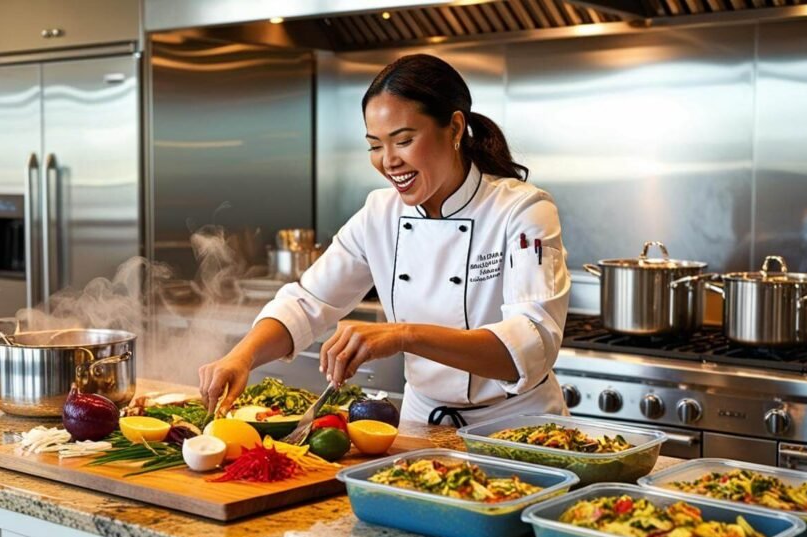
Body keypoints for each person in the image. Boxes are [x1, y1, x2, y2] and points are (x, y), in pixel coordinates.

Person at [199, 54, 571, 427]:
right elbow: (307, 303)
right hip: (421, 426)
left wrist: (403, 335)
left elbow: (531, 344)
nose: (388, 161)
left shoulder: (522, 209)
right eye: (375, 146)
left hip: (519, 430)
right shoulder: (380, 214)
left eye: (404, 140)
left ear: (455, 129)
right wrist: (241, 357)